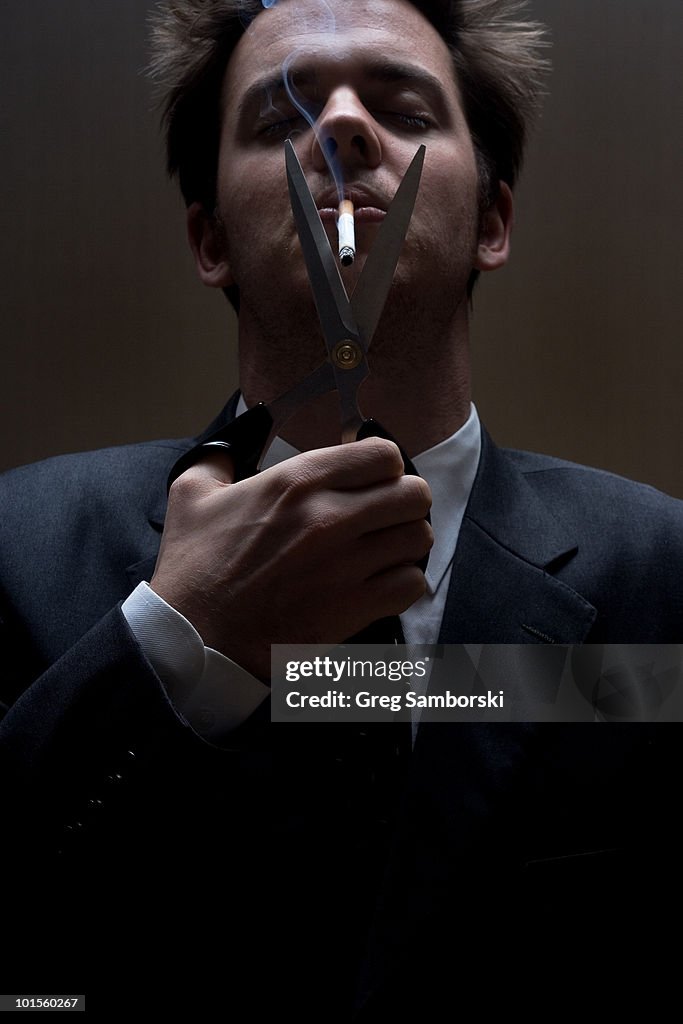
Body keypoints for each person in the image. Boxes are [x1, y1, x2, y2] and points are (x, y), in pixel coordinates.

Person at [1, 0, 682, 1018]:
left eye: (404, 110)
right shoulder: (19, 542)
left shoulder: (658, 571)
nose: (344, 129)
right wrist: (177, 642)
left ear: (491, 223)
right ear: (209, 239)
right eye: (281, 124)